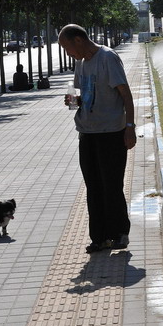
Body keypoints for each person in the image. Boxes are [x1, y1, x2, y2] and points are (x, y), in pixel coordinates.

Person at [58, 24, 136, 253]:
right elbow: (82, 96)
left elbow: (126, 94)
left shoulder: (107, 58)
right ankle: (99, 237)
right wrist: (72, 102)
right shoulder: (80, 63)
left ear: (79, 40)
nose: (67, 53)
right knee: (93, 187)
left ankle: (119, 233)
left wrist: (129, 127)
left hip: (111, 132)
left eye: (67, 47)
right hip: (88, 133)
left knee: (111, 185)